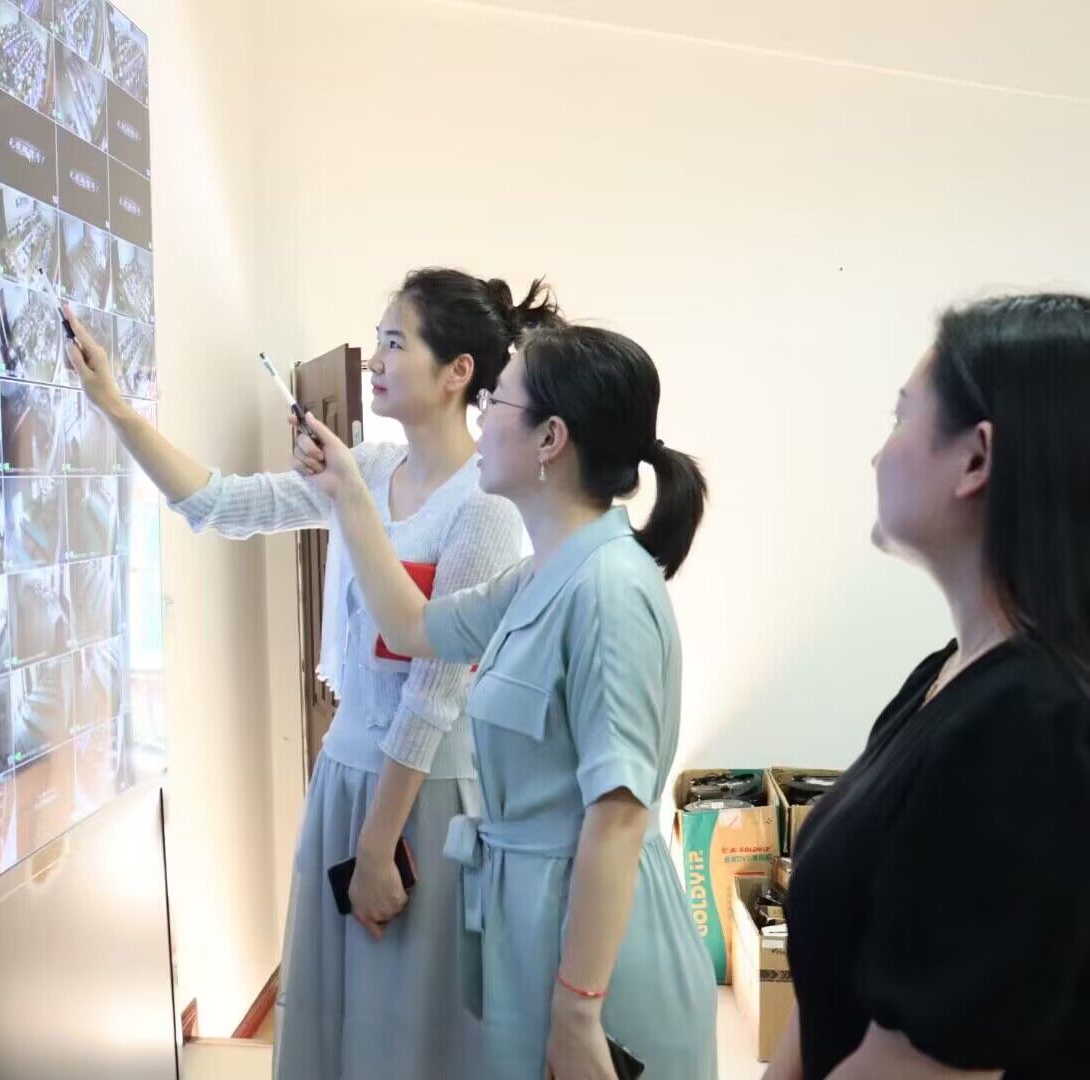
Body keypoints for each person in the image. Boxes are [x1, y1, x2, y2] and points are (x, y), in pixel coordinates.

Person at [62, 268, 553, 1078]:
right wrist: (116, 406)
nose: (376, 361)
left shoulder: (485, 507)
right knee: (342, 1026)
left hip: (421, 798)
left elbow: (433, 696)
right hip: (345, 778)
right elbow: (222, 505)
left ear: (457, 372)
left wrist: (376, 846)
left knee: (413, 1032)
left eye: (395, 343)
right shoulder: (367, 468)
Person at [293, 321, 717, 1079]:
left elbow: (618, 817)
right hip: (530, 925)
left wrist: (578, 1010)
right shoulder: (543, 573)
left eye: (497, 401)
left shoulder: (609, 591)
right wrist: (351, 495)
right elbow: (413, 626)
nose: (481, 417)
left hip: (595, 951)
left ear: (551, 438)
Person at [767, 294, 1090, 1079]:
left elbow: (923, 1062)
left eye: (900, 416)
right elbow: (831, 987)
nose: (877, 457)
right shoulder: (945, 676)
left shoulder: (1032, 722)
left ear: (977, 460)